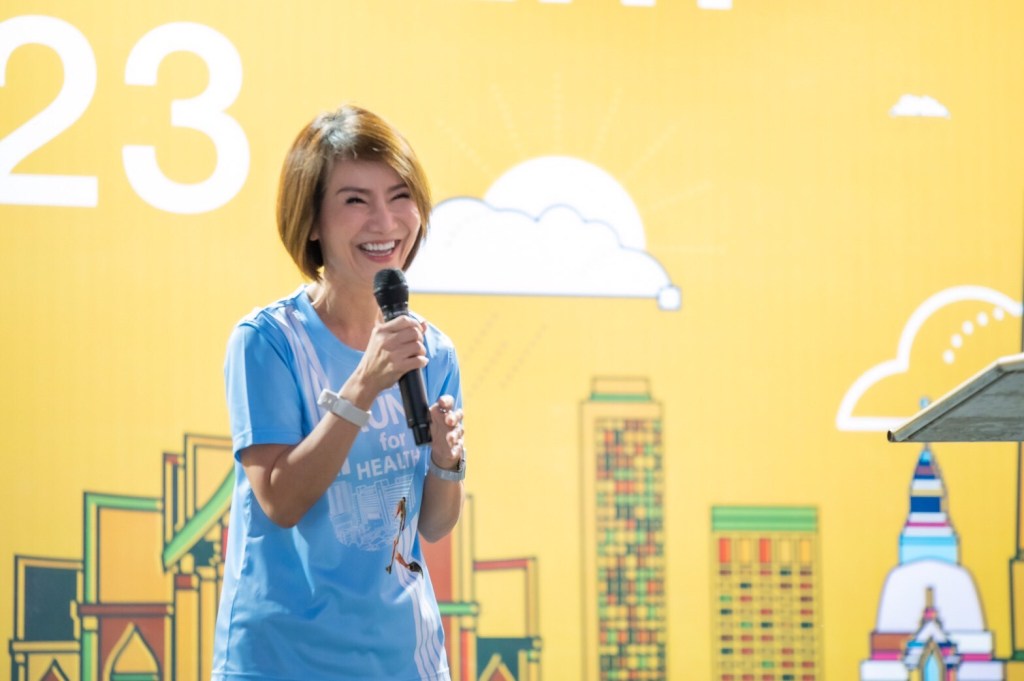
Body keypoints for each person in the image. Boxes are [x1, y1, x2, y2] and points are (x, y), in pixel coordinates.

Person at [212, 104, 466, 681]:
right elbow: (280, 501)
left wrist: (447, 462)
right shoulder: (266, 341)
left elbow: (432, 525)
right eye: (356, 201)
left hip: (405, 661)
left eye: (400, 196)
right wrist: (364, 384)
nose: (385, 221)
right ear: (311, 223)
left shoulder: (434, 350)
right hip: (279, 662)